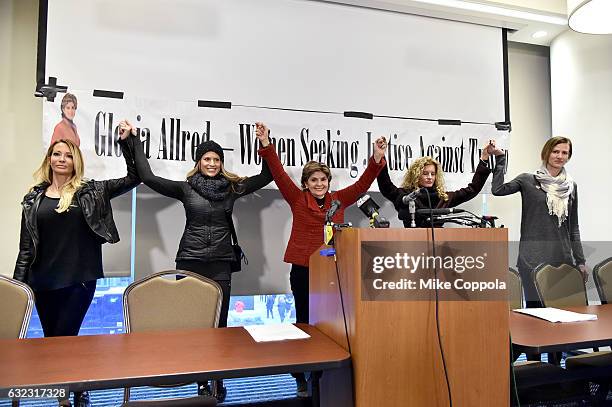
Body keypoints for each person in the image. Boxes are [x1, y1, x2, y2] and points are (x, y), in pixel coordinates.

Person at [128, 120, 273, 402]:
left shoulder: (232, 188)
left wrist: (265, 142)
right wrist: (134, 141)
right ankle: (197, 377)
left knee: (219, 326)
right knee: (194, 325)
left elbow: (267, 176)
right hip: (191, 260)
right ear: (199, 162)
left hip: (220, 261)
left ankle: (215, 381)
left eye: (217, 159)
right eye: (207, 158)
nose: (212, 163)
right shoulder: (185, 189)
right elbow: (147, 175)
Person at [256, 122, 387, 397]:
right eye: (313, 180)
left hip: (332, 273)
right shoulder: (296, 199)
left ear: (329, 183)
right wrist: (266, 144)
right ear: (306, 184)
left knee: (329, 326)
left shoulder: (339, 200)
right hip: (303, 271)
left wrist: (376, 159)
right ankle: (300, 376)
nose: (319, 184)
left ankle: (322, 376)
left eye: (323, 180)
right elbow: (279, 174)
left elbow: (364, 183)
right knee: (304, 323)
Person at [13, 124, 139, 407]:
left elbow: (135, 177)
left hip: (78, 279)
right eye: (56, 154)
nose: (61, 159)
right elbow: (26, 248)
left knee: (65, 339)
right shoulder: (34, 198)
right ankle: (69, 392)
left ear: (75, 161)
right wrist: (18, 289)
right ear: (49, 160)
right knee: (52, 340)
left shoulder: (91, 191)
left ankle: (71, 395)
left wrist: (127, 143)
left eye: (67, 155)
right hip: (42, 281)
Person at [490, 137, 586, 308]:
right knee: (537, 315)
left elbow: (574, 228)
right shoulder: (527, 180)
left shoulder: (571, 186)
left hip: (562, 259)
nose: (560, 156)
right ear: (546, 153)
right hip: (532, 259)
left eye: (565, 152)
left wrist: (580, 261)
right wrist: (500, 159)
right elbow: (497, 190)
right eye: (555, 151)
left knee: (564, 314)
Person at [377, 140, 495, 228]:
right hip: (412, 248)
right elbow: (386, 186)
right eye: (425, 173)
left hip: (439, 250)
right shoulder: (406, 195)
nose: (429, 177)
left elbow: (472, 190)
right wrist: (381, 157)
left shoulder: (443, 197)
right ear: (416, 175)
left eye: (432, 174)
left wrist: (484, 159)